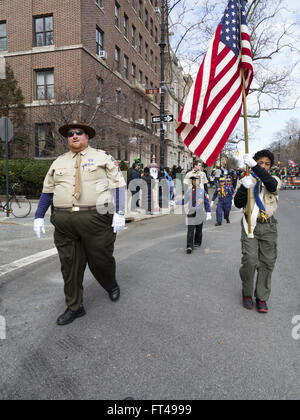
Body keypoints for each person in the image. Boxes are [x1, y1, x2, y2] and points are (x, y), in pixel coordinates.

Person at [33, 121, 126, 326]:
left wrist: (119, 212)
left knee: (100, 259)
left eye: (79, 132)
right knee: (69, 265)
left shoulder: (102, 157)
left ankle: (110, 284)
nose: (74, 136)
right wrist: (39, 216)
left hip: (96, 220)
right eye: (70, 134)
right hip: (64, 222)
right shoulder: (58, 162)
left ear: (87, 136)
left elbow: (118, 185)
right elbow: (48, 191)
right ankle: (75, 306)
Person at [234, 150, 281, 313]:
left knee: (267, 263)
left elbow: (272, 186)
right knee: (250, 260)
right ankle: (247, 293)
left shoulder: (273, 180)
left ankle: (261, 297)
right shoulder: (246, 180)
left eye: (267, 164)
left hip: (268, 226)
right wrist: (243, 189)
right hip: (250, 225)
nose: (264, 166)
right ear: (254, 163)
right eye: (260, 163)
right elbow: (238, 203)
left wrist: (255, 167)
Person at [176, 173, 211, 254]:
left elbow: (206, 202)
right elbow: (184, 201)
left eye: (196, 180)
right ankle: (189, 246)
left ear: (199, 182)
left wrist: (208, 212)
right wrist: (176, 202)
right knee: (190, 230)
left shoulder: (202, 192)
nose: (195, 182)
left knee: (199, 229)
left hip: (199, 212)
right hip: (191, 212)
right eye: (193, 180)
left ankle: (197, 242)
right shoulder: (189, 191)